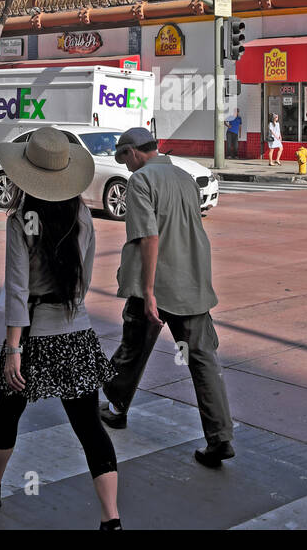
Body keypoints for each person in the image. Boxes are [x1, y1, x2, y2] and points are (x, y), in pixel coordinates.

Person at [0, 127, 122, 528]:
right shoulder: (82, 213)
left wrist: (13, 350)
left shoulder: (20, 220)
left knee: (8, 411)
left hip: (31, 335)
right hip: (76, 330)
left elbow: (17, 288)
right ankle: (111, 518)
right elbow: (83, 281)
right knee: (89, 426)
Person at [101, 127, 235, 468]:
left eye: (123, 158)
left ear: (133, 153)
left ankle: (116, 406)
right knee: (203, 360)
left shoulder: (141, 181)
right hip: (192, 281)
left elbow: (148, 236)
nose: (125, 166)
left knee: (133, 349)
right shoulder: (184, 176)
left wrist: (147, 291)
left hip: (155, 284)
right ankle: (220, 436)